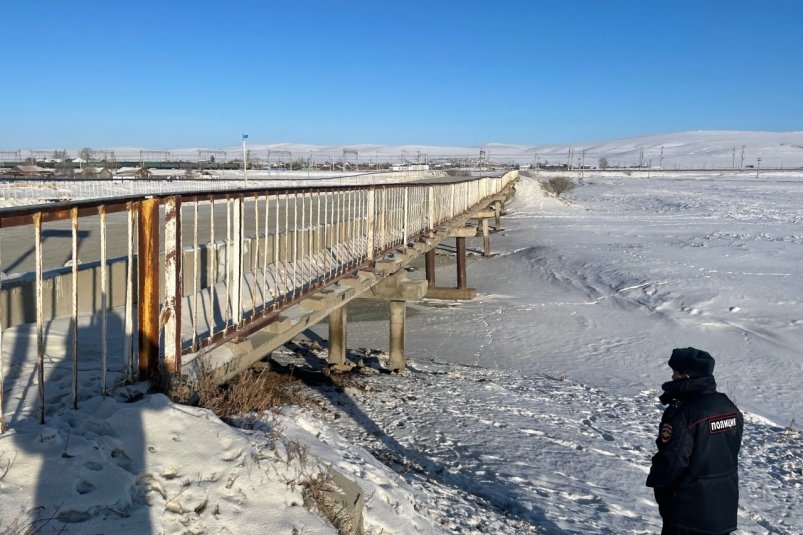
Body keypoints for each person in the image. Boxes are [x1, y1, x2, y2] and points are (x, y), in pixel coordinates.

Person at [646, 347, 743, 535]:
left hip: (688, 510)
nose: (672, 376)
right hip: (723, 505)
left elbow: (672, 461)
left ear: (687, 376)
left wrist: (660, 486)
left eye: (675, 372)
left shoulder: (684, 412)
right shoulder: (729, 407)